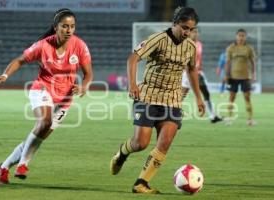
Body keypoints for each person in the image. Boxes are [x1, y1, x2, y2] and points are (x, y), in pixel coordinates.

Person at [0, 8, 93, 184]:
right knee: (44, 123)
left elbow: (88, 74)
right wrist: (5, 75)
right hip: (42, 89)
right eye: (65, 26)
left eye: (72, 27)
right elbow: (19, 60)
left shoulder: (80, 46)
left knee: (39, 135)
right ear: (56, 27)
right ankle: (23, 164)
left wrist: (84, 86)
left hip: (65, 99)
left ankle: (4, 167)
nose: (69, 30)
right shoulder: (43, 45)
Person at [110, 7, 205, 194]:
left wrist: (199, 97)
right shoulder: (158, 39)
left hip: (172, 99)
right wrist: (132, 85)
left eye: (191, 30)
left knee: (165, 142)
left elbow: (192, 70)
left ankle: (141, 183)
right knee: (141, 143)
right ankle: (122, 154)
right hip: (148, 96)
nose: (187, 33)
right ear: (175, 23)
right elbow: (133, 58)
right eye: (184, 28)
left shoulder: (191, 47)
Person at [181, 27, 222, 123]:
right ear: (189, 33)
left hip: (198, 72)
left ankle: (213, 116)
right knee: (182, 94)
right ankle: (171, 112)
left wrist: (200, 69)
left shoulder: (199, 44)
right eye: (193, 32)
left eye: (196, 32)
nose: (195, 34)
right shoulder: (185, 44)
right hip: (188, 73)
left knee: (205, 93)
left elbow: (199, 59)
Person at [225, 28, 256, 125]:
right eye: (239, 35)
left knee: (247, 97)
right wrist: (227, 75)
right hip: (233, 77)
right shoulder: (231, 48)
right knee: (231, 97)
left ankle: (250, 119)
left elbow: (252, 62)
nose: (241, 37)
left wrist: (253, 75)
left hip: (245, 76)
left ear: (245, 37)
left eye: (243, 36)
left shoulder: (249, 48)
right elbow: (228, 62)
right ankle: (229, 118)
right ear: (236, 36)